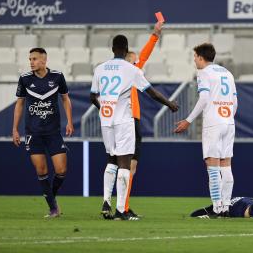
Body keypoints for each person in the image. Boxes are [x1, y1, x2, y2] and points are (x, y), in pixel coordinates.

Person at [90, 35, 178, 221]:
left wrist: (106, 109)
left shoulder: (99, 68)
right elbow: (151, 93)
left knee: (111, 160)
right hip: (124, 120)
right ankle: (121, 210)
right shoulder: (131, 70)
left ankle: (106, 201)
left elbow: (92, 97)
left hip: (106, 121)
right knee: (124, 163)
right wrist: (169, 104)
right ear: (126, 48)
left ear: (112, 48)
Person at [174, 43, 237, 217]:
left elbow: (203, 98)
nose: (194, 60)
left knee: (212, 166)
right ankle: (226, 207)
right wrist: (228, 117)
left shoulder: (203, 73)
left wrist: (188, 120)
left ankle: (216, 208)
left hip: (214, 123)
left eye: (194, 57)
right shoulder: (228, 73)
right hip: (229, 122)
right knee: (226, 166)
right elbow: (235, 102)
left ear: (201, 58)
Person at [12, 47, 74, 218]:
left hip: (53, 132)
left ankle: (51, 197)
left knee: (61, 170)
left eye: (34, 59)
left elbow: (65, 98)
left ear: (44, 60)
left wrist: (69, 121)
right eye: (30, 59)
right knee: (41, 170)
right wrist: (15, 129)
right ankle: (53, 208)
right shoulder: (24, 79)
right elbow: (20, 104)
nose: (31, 62)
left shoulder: (57, 76)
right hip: (33, 132)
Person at [116, 21, 163, 218]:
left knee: (128, 167)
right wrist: (154, 36)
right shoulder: (127, 73)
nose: (138, 64)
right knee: (126, 167)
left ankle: (122, 206)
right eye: (134, 62)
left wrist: (155, 35)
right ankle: (121, 208)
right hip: (128, 121)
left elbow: (143, 56)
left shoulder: (124, 74)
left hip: (127, 121)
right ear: (127, 61)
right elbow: (143, 56)